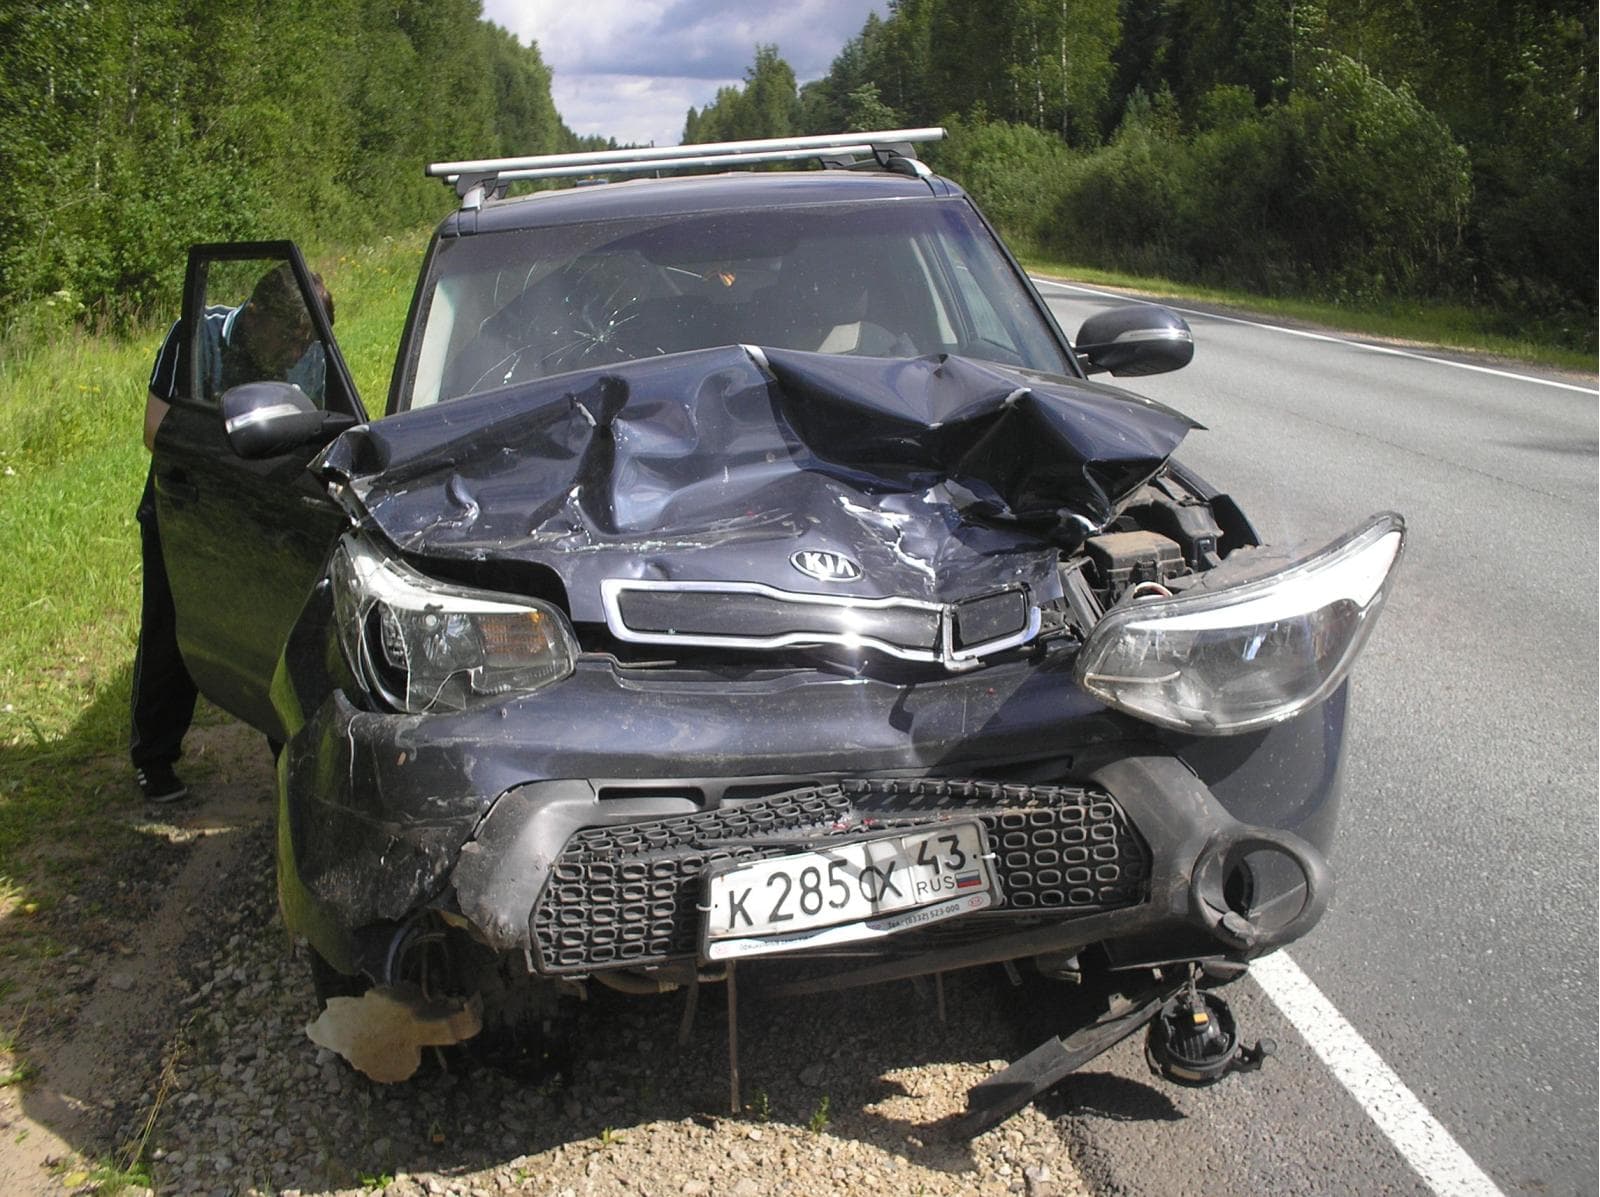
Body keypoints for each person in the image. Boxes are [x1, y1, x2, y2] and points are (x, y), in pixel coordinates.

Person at [132, 264, 333, 802]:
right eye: (290, 339)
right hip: (187, 502)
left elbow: (325, 426)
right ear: (258, 315)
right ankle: (153, 757)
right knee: (172, 626)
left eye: (306, 342)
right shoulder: (195, 335)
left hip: (265, 507)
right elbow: (155, 429)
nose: (297, 353)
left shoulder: (311, 349)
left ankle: (288, 755)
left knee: (276, 629)